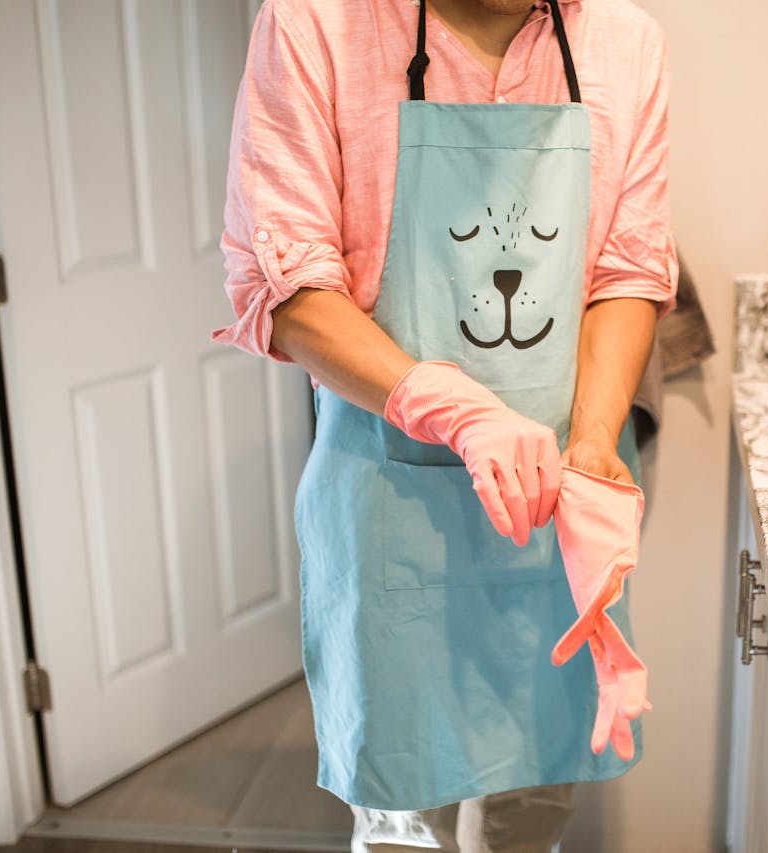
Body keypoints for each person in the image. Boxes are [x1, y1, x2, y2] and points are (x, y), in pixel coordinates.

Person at [213, 0, 677, 850]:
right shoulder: (314, 23)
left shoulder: (626, 43)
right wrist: (455, 408)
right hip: (396, 514)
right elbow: (286, 290)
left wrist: (594, 434)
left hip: (556, 519)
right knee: (404, 821)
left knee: (533, 805)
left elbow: (628, 272)